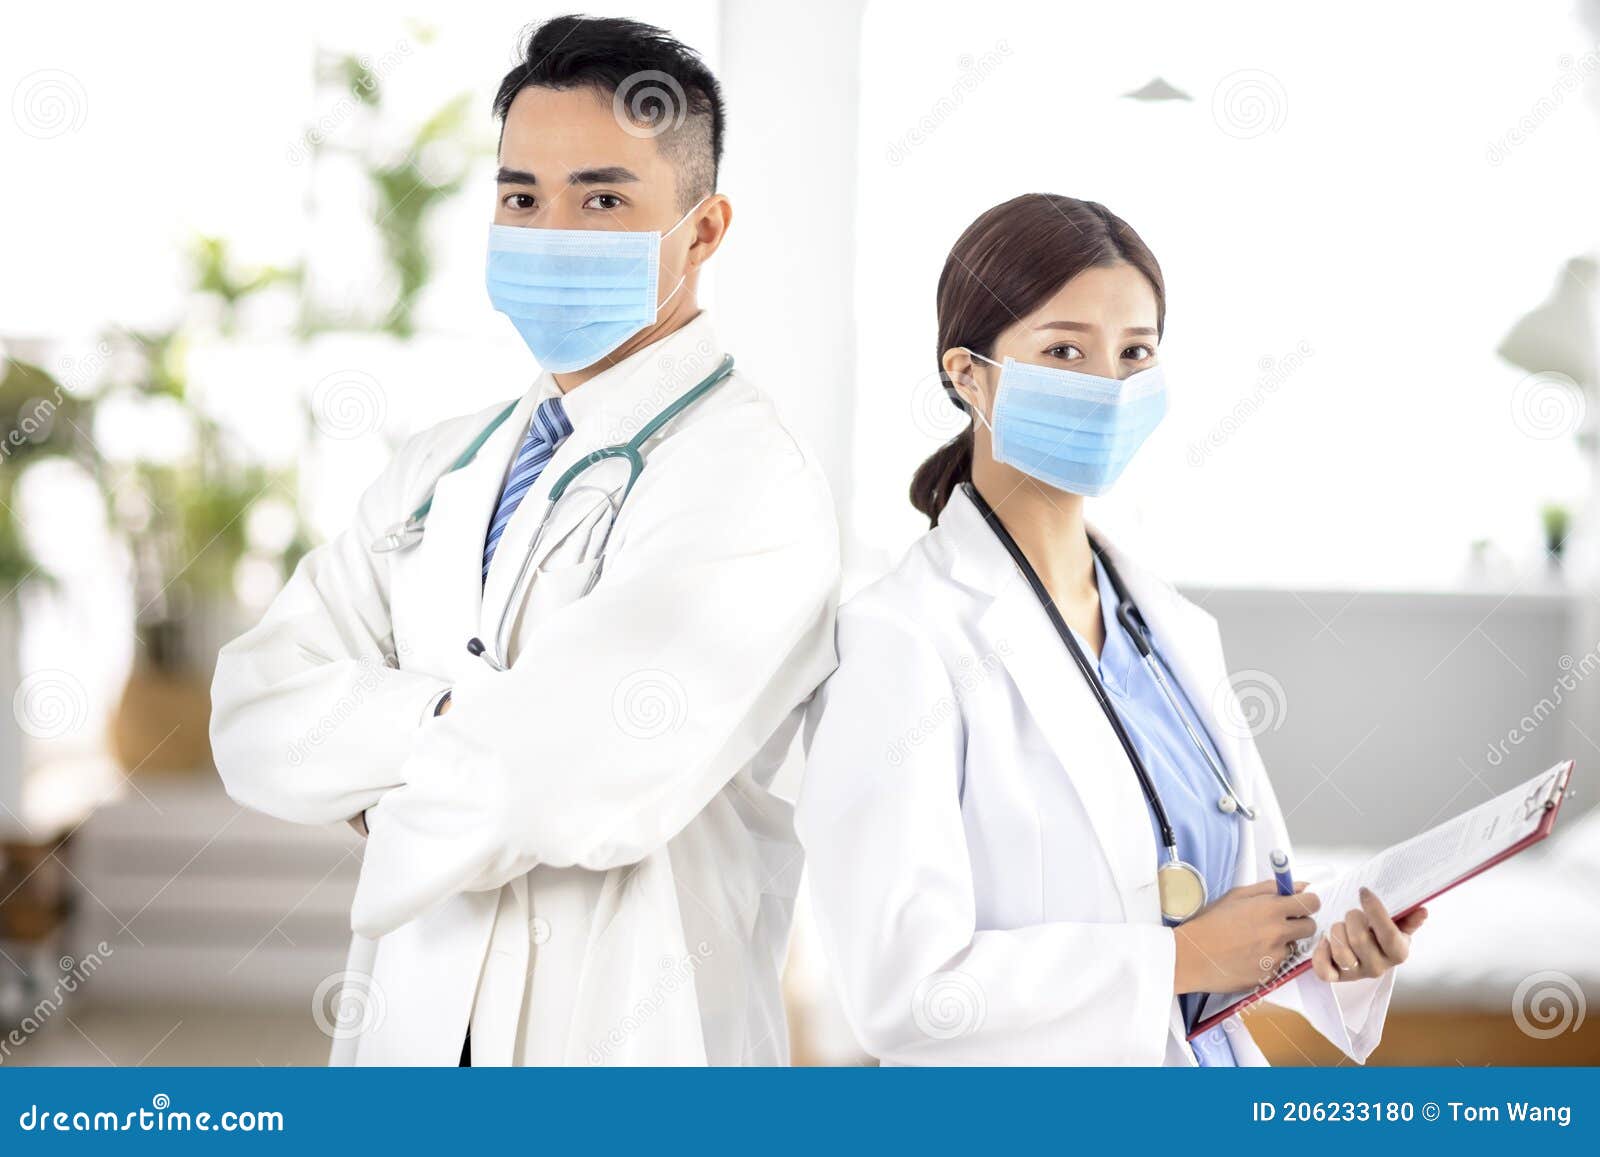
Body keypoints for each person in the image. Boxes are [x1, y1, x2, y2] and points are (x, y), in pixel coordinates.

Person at [210, 15, 839, 1066]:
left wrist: (376, 765)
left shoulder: (749, 481)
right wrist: (464, 726)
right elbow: (253, 711)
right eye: (521, 197)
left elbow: (568, 779)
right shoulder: (439, 467)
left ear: (704, 228)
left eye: (602, 197)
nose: (552, 230)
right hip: (411, 1032)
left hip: (628, 1041)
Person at [796, 193, 1424, 1065]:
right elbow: (900, 986)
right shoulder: (900, 639)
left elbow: (1229, 912)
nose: (1108, 386)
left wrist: (1330, 951)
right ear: (966, 373)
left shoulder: (1172, 632)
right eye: (1064, 351)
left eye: (1135, 354)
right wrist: (1176, 958)